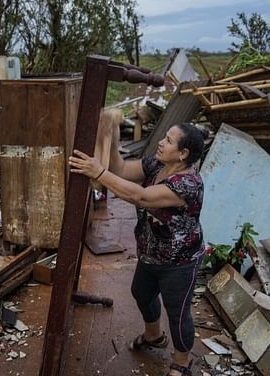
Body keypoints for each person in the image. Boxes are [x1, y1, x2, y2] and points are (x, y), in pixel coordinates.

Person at [68, 123, 208, 376]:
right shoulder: (156, 165)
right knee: (141, 293)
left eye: (168, 140)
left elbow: (140, 196)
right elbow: (121, 169)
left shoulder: (188, 183)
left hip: (180, 260)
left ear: (183, 153)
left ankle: (181, 362)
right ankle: (154, 336)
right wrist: (110, 136)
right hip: (150, 252)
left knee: (177, 312)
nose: (161, 143)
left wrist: (98, 173)